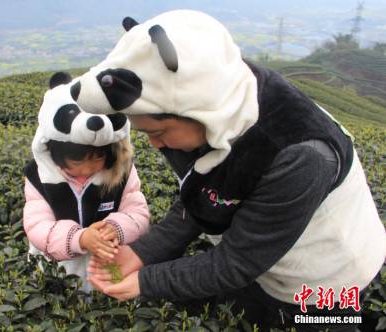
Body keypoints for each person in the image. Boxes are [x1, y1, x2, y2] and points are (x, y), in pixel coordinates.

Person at [70, 10, 386, 331]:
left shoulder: (299, 154)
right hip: (262, 262)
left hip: (323, 282)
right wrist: (144, 252)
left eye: (159, 133)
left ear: (196, 112)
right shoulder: (217, 104)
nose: (154, 145)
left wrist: (145, 281)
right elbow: (205, 196)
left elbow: (237, 262)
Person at [22, 72, 150, 292]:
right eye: (77, 162)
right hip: (57, 266)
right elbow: (37, 225)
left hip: (109, 260)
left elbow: (138, 213)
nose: (88, 169)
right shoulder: (39, 176)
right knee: (61, 309)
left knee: (111, 302)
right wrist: (79, 239)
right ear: (54, 153)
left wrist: (116, 228)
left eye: (97, 158)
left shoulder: (122, 172)